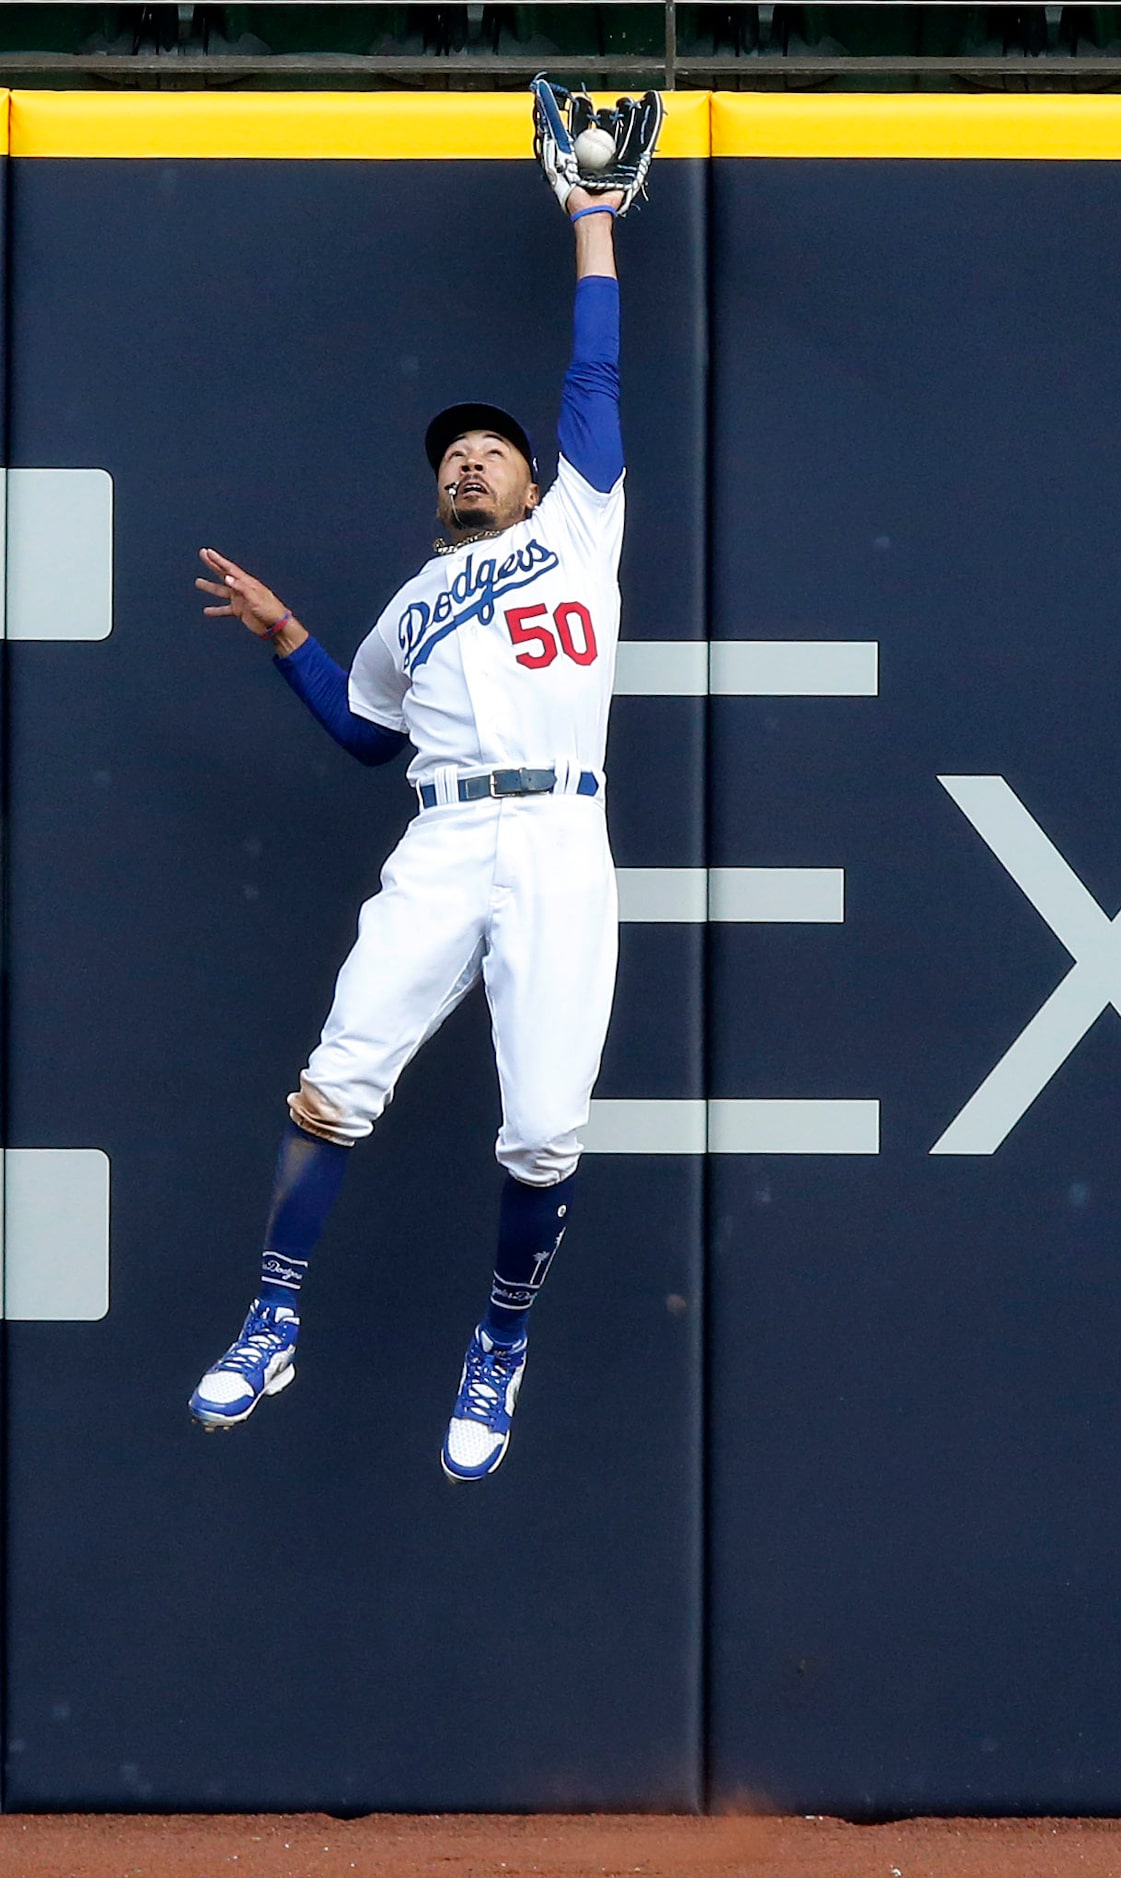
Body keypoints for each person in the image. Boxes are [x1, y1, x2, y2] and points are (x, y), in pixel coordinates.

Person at [189, 165, 630, 1481]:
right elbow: (365, 731)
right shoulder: (401, 613)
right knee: (334, 1081)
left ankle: (498, 1341)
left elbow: (593, 379)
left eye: (490, 447)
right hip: (442, 842)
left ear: (533, 475)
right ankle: (272, 1315)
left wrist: (592, 218)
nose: (469, 455)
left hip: (557, 840)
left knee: (545, 1127)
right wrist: (287, 642)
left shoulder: (579, 526)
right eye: (452, 451)